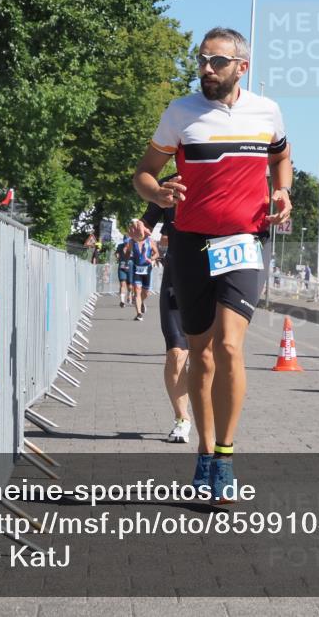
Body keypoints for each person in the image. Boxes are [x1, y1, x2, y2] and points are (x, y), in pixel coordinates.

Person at [133, 26, 291, 503]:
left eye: (216, 61)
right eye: (201, 60)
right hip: (190, 244)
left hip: (243, 241)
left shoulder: (267, 111)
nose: (205, 69)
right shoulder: (181, 112)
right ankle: (203, 454)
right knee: (199, 355)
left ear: (242, 67)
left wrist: (283, 191)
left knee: (228, 346)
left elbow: (281, 158)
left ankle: (225, 457)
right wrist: (157, 192)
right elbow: (143, 173)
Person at [132, 178, 193, 444]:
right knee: (176, 352)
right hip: (177, 274)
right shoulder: (171, 185)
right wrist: (137, 228)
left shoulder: (224, 176)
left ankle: (214, 418)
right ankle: (182, 419)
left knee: (211, 356)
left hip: (217, 275)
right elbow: (145, 223)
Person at [129, 228, 158, 322]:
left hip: (147, 270)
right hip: (136, 269)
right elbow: (129, 252)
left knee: (145, 293)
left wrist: (152, 258)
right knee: (137, 291)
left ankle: (141, 302)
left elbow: (156, 253)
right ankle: (139, 314)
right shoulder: (132, 241)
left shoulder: (150, 241)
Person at [116, 232, 133, 306]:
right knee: (122, 283)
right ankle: (122, 301)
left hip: (130, 267)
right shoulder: (120, 246)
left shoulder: (133, 246)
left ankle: (129, 294)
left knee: (130, 286)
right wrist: (117, 256)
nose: (126, 243)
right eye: (125, 241)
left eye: (127, 241)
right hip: (122, 267)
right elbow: (116, 253)